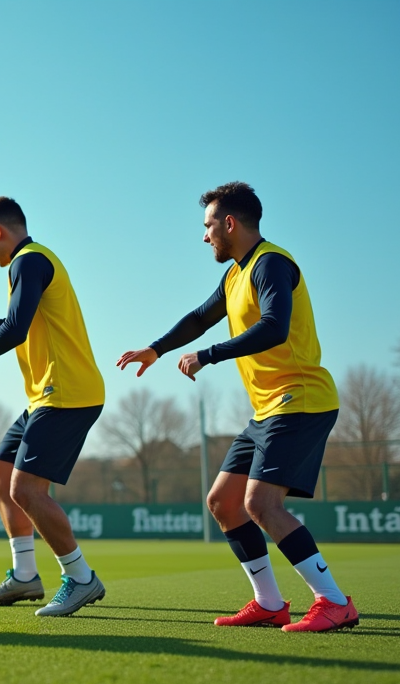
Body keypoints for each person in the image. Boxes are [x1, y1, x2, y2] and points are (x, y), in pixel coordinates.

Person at [117, 181, 358, 633]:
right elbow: (198, 316)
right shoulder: (234, 275)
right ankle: (268, 602)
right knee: (224, 503)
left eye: (208, 226)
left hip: (300, 399)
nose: (204, 236)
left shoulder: (271, 264)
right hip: (267, 410)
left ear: (229, 223)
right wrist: (156, 349)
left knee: (261, 503)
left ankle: (334, 601)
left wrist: (208, 355)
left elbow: (274, 328)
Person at [0, 196, 106, 617]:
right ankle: (26, 576)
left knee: (25, 489)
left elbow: (15, 329)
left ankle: (81, 578)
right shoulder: (31, 261)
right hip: (46, 395)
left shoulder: (27, 261)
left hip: (66, 395)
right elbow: (20, 323)